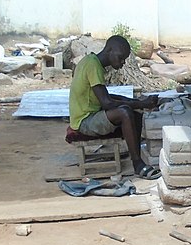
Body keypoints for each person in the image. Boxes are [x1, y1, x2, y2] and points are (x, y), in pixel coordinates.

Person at [68, 35, 160, 179]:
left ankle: (134, 152)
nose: (122, 62)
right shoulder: (93, 66)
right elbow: (107, 103)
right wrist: (141, 103)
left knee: (135, 114)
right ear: (109, 50)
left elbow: (109, 97)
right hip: (84, 122)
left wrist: (138, 102)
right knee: (124, 113)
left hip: (89, 115)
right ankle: (137, 163)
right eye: (121, 57)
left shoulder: (91, 61)